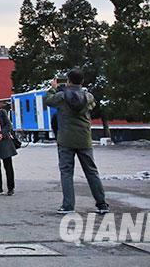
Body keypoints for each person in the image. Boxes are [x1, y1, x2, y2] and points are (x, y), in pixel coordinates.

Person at [45, 69, 110, 214]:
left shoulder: (61, 97)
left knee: (66, 172)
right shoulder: (88, 97)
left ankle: (68, 205)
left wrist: (53, 88)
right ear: (82, 82)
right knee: (92, 171)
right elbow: (92, 107)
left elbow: (48, 101)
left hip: (66, 139)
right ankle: (101, 204)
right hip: (84, 138)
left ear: (68, 81)